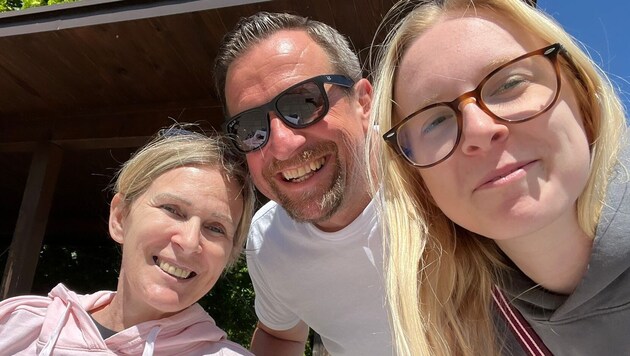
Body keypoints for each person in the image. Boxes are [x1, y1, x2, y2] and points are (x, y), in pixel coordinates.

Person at [368, 0, 629, 355]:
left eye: (510, 84)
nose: (478, 129)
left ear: (582, 97)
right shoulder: (463, 337)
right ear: (418, 181)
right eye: (436, 120)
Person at [213, 11, 392, 356]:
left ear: (364, 102)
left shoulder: (438, 177)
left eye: (305, 102)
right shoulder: (269, 241)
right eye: (250, 128)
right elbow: (280, 336)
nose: (281, 144)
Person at [0, 125, 256, 356]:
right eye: (173, 209)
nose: (189, 242)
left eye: (215, 228)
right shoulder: (16, 323)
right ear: (120, 217)